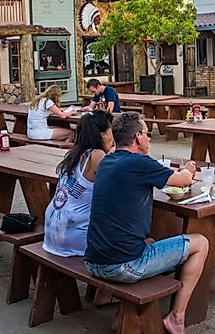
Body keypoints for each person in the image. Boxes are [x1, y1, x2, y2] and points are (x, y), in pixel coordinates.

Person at [85, 112, 208, 333]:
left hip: (93, 260)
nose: (149, 138)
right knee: (201, 243)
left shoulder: (106, 161)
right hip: (122, 266)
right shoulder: (139, 163)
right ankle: (176, 317)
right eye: (147, 134)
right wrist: (189, 169)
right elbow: (182, 181)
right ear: (138, 137)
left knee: (150, 240)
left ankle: (117, 307)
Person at [44, 110, 113, 257]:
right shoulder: (97, 156)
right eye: (111, 131)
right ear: (103, 135)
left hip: (53, 231)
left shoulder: (73, 154)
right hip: (73, 237)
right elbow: (119, 187)